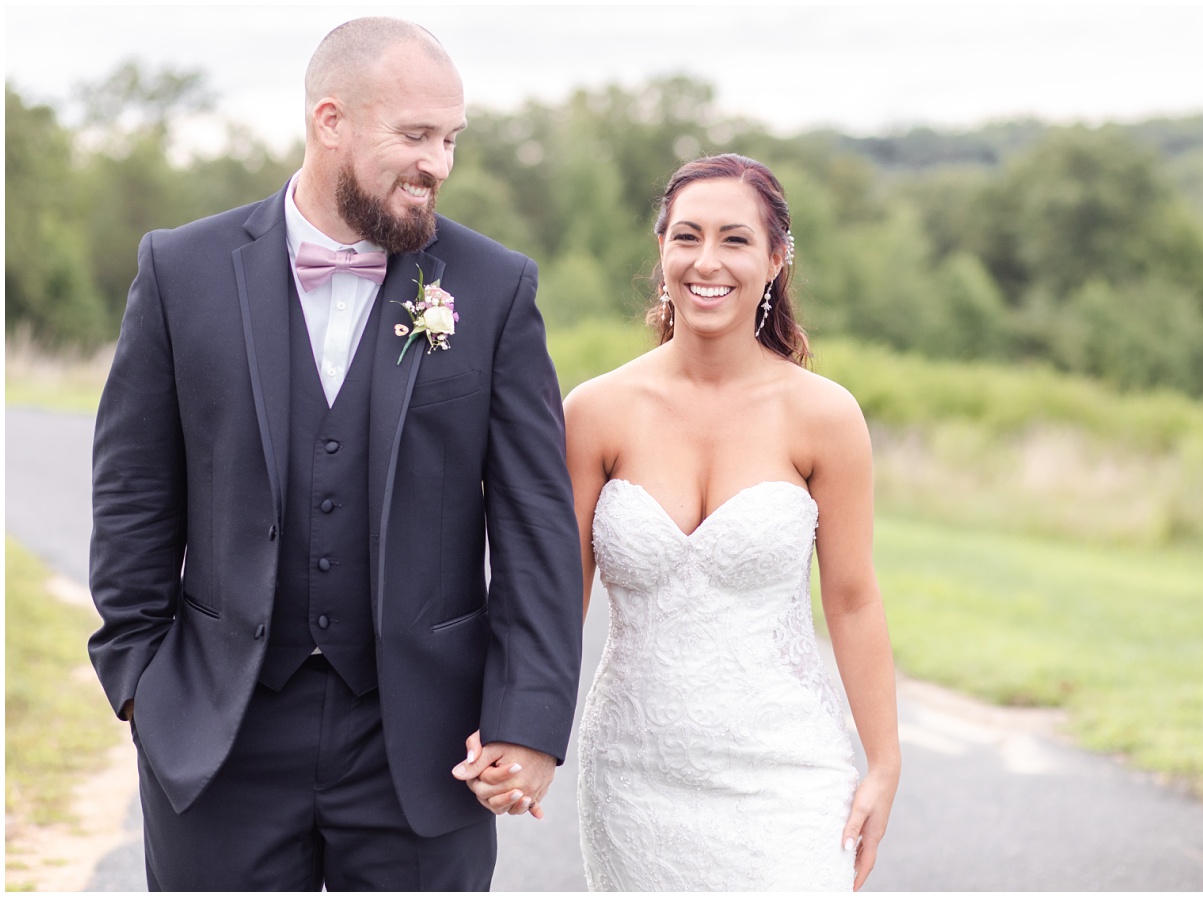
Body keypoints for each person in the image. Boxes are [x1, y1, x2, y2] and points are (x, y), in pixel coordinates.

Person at [87, 18, 582, 890]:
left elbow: (536, 520)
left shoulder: (495, 286)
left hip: (427, 748)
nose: (439, 164)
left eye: (451, 138)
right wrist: (140, 682)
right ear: (330, 122)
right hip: (218, 733)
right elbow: (133, 490)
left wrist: (530, 717)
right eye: (416, 136)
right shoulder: (181, 270)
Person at [558, 153, 901, 891]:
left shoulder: (825, 416)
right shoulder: (594, 412)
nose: (705, 261)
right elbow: (555, 597)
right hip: (633, 773)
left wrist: (883, 761)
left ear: (776, 259)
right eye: (686, 237)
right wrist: (509, 727)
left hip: (788, 774)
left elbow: (851, 597)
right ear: (661, 252)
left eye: (735, 239)